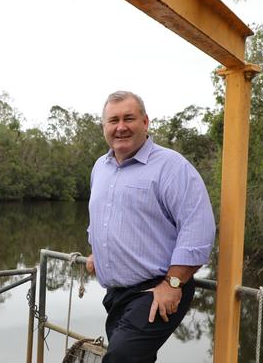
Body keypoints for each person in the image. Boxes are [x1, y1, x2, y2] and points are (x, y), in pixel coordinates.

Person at [85, 91, 215, 362]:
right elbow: (101, 217)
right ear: (104, 127)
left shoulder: (171, 166)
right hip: (116, 294)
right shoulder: (101, 167)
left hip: (157, 289)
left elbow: (198, 228)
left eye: (129, 118)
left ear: (145, 122)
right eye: (113, 120)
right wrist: (98, 252)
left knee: (120, 357)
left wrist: (173, 283)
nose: (121, 127)